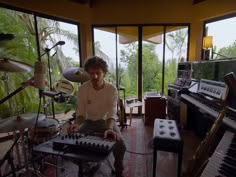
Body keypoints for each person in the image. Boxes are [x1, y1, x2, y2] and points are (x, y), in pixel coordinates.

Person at [70, 56, 126, 177]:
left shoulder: (111, 89)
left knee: (121, 145)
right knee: (70, 146)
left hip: (106, 122)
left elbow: (112, 112)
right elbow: (81, 112)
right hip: (88, 122)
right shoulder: (83, 89)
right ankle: (88, 165)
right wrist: (76, 124)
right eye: (91, 73)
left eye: (98, 73)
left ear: (104, 73)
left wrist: (110, 129)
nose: (95, 77)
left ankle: (118, 168)